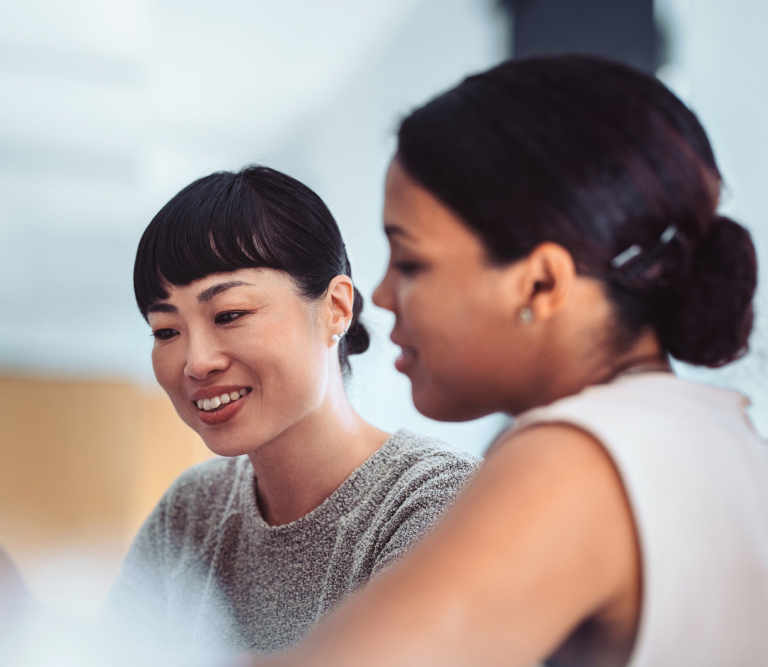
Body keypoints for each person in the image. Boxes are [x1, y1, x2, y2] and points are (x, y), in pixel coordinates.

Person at [259, 56, 768, 666]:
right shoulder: (711, 427)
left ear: (541, 284)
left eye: (412, 262)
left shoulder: (577, 456)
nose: (384, 294)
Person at [101, 166, 479, 655]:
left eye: (230, 315)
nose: (196, 362)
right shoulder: (192, 510)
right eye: (165, 331)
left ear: (336, 308)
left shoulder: (439, 503)